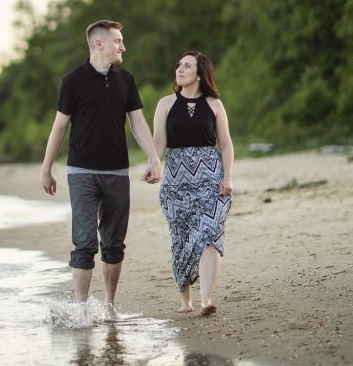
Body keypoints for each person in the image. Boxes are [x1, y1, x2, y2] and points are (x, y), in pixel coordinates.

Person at [41, 19, 161, 313]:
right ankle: (81, 309)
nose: (123, 46)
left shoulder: (126, 79)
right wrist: (47, 168)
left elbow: (137, 122)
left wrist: (154, 157)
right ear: (99, 43)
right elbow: (59, 127)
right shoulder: (73, 80)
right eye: (118, 41)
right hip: (81, 172)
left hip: (117, 172)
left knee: (114, 243)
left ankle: (109, 306)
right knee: (84, 242)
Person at [153, 51, 234, 316]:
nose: (180, 69)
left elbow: (225, 144)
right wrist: (154, 164)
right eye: (179, 65)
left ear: (200, 74)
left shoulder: (214, 104)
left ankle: (206, 299)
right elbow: (158, 142)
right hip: (176, 180)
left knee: (210, 233)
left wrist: (228, 176)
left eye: (187, 66)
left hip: (211, 178)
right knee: (181, 239)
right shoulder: (165, 103)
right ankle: (185, 300)